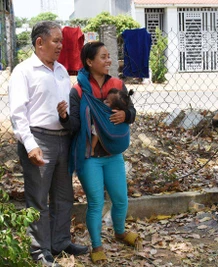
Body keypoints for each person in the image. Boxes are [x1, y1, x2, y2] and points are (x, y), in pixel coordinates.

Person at [8, 21, 88, 266]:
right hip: (39, 140)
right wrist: (31, 145)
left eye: (61, 41)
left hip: (63, 139)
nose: (60, 46)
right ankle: (40, 252)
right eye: (56, 41)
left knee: (64, 196)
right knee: (39, 200)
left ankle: (60, 242)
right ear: (39, 43)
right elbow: (18, 113)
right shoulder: (24, 71)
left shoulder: (62, 70)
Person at [58, 41, 140, 263]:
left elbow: (131, 110)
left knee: (121, 200)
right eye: (103, 57)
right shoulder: (78, 90)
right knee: (96, 202)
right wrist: (64, 117)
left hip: (113, 154)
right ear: (89, 62)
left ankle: (120, 231)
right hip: (90, 157)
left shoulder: (117, 84)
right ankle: (96, 245)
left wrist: (126, 116)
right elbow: (74, 125)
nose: (108, 61)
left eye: (108, 56)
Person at [91, 88, 134, 156]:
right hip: (121, 147)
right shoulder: (123, 104)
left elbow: (132, 112)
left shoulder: (110, 116)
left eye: (107, 102)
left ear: (116, 108)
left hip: (114, 150)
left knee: (96, 128)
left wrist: (127, 114)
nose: (104, 101)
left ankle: (91, 149)